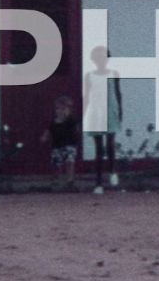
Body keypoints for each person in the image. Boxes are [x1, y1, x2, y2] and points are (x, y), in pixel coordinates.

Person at [84, 45, 124, 193]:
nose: (101, 60)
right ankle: (98, 183)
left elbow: (118, 93)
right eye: (98, 57)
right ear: (94, 60)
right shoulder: (89, 76)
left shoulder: (114, 73)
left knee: (111, 145)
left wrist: (120, 111)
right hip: (96, 113)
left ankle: (113, 171)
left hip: (110, 111)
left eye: (103, 57)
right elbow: (87, 95)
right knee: (99, 149)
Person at [44, 94, 81, 191]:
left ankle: (70, 181)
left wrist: (76, 135)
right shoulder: (53, 122)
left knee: (70, 162)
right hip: (57, 146)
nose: (60, 111)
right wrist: (44, 137)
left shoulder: (71, 121)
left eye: (64, 109)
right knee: (56, 164)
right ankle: (55, 181)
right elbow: (48, 131)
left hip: (69, 145)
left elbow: (77, 130)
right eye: (58, 109)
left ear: (69, 110)